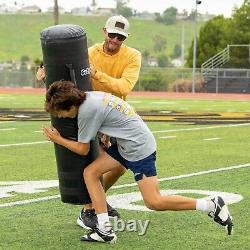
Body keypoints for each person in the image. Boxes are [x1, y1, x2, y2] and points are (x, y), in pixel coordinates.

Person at [43, 81, 233, 244]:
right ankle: (104, 229)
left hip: (138, 149)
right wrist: (107, 137)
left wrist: (57, 139)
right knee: (91, 173)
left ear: (70, 106)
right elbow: (110, 117)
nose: (59, 117)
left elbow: (82, 149)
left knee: (154, 202)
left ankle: (210, 205)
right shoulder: (91, 96)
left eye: (60, 113)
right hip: (127, 144)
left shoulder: (86, 111)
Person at [37, 15, 142, 230]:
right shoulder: (89, 52)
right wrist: (45, 68)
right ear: (105, 31)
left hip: (113, 116)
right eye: (112, 34)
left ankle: (97, 199)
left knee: (120, 166)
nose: (114, 40)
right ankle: (88, 211)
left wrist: (98, 75)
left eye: (120, 37)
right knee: (92, 165)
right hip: (90, 114)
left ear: (125, 38)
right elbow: (65, 63)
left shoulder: (132, 56)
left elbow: (124, 87)